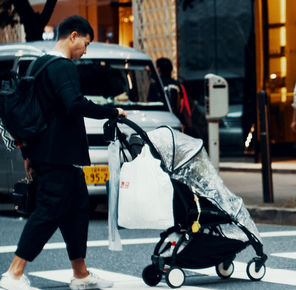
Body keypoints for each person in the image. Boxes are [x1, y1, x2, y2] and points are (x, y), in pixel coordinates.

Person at [0, 15, 126, 290]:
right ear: (73, 36)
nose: (85, 50)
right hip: (58, 155)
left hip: (49, 154)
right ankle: (13, 274)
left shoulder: (38, 64)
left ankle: (80, 274)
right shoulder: (63, 67)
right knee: (48, 212)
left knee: (78, 210)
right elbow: (74, 104)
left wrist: (28, 155)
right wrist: (111, 111)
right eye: (86, 43)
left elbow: (32, 114)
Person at [155, 57, 193, 132]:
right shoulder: (178, 85)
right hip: (176, 120)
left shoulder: (155, 84)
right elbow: (183, 105)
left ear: (159, 69)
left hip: (159, 120)